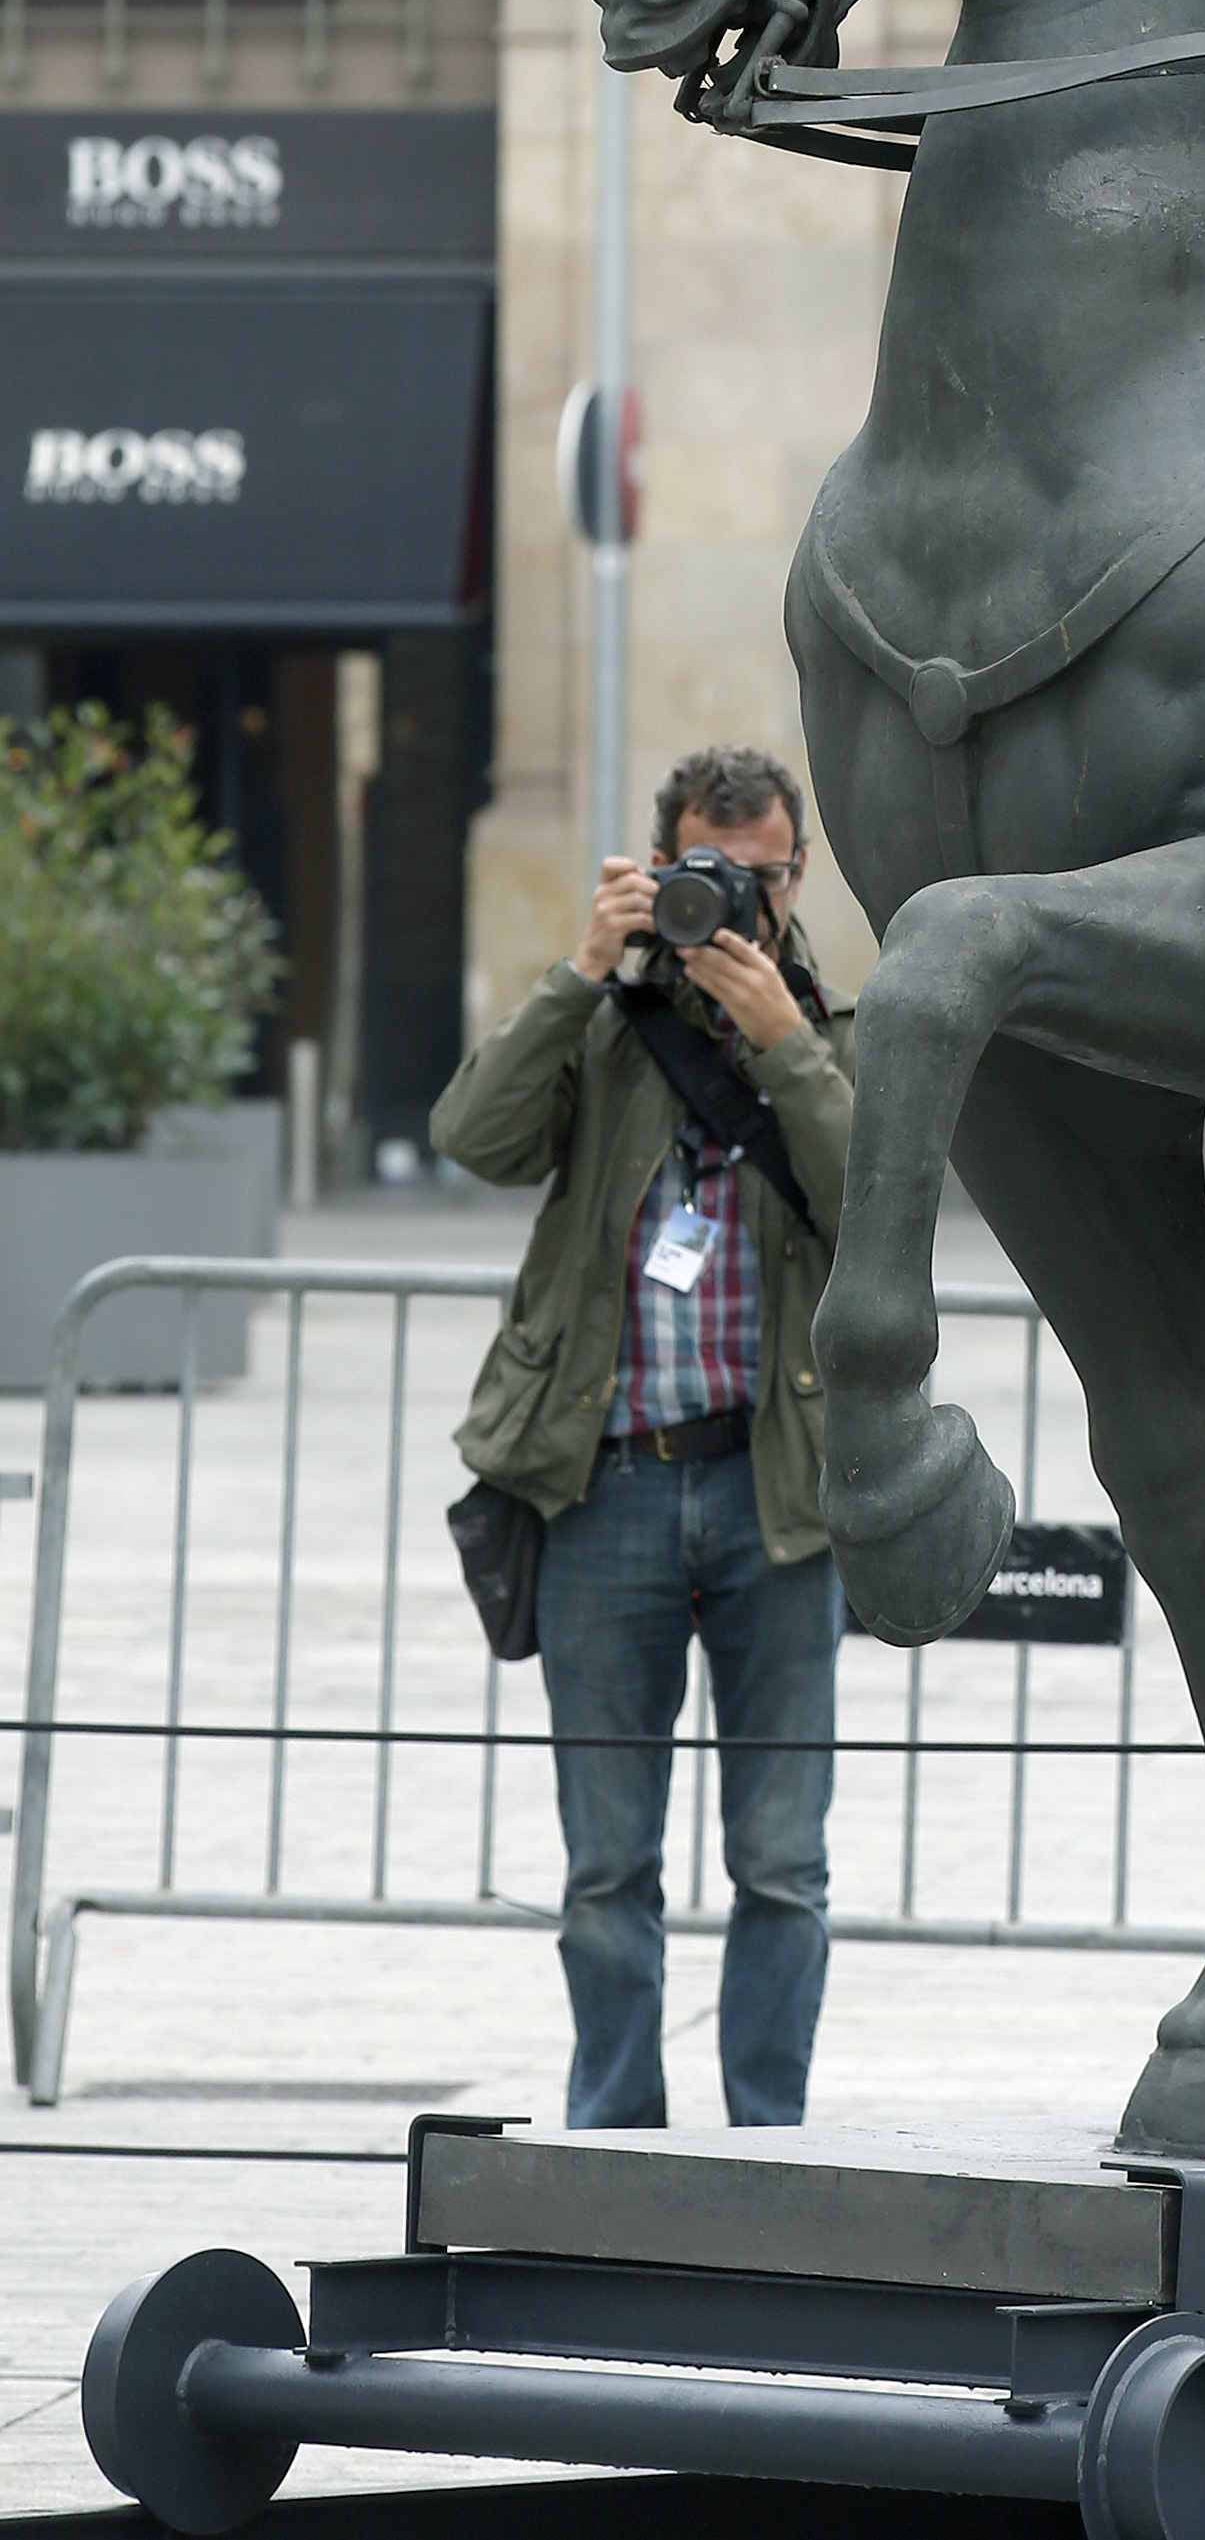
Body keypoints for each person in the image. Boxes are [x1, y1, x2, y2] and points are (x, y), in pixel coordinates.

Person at [434, 743, 856, 2130]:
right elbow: (473, 1137)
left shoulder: (840, 1038)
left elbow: (884, 1208)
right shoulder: (607, 1031)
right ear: (661, 866)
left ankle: (772, 2147)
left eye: (761, 874)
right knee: (606, 1868)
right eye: (706, 873)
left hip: (776, 1496)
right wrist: (575, 973)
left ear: (798, 873)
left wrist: (788, 1051)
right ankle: (613, 2136)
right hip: (606, 1488)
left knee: (781, 1863)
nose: (735, 903)